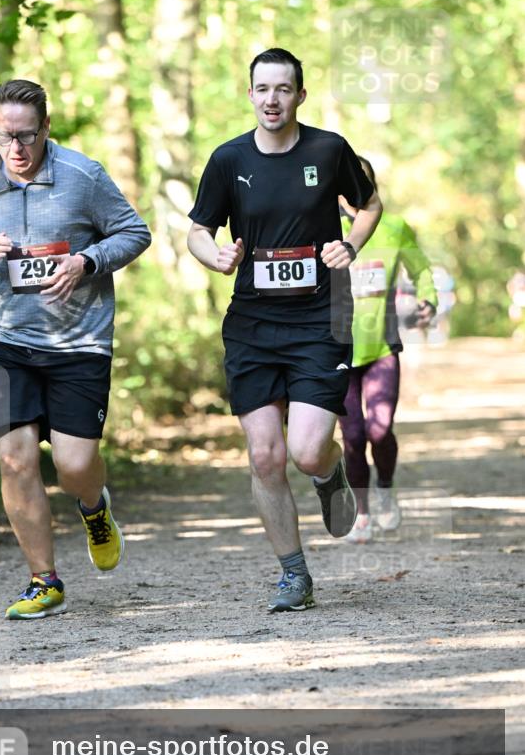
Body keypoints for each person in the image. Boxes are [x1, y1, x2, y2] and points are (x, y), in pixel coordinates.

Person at [0, 79, 151, 619]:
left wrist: (87, 261)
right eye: (3, 136)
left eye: (26, 136)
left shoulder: (84, 176)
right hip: (6, 341)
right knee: (14, 461)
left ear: (46, 129)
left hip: (79, 342)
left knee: (73, 464)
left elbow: (134, 233)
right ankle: (44, 581)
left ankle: (92, 506)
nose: (15, 148)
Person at [187, 48, 382, 613]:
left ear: (300, 94)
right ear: (250, 94)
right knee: (264, 457)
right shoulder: (228, 160)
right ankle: (294, 575)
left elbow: (369, 205)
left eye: (283, 89)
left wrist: (351, 242)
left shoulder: (329, 149)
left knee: (305, 450)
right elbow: (198, 229)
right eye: (262, 89)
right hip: (251, 322)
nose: (272, 99)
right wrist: (215, 256)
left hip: (323, 316)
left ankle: (329, 474)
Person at [339, 156, 437, 542]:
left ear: (372, 186)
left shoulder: (394, 227)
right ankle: (361, 513)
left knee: (379, 430)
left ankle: (386, 488)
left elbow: (422, 270)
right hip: (336, 352)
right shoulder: (321, 229)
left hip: (382, 346)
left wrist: (428, 299)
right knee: (352, 437)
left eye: (360, 182)